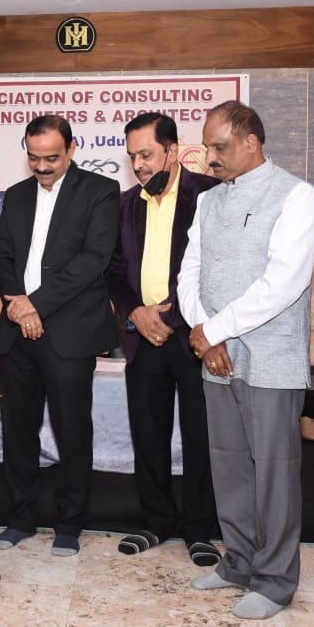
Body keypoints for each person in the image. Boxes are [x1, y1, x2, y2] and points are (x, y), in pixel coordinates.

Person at [176, 100, 314, 620]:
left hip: (271, 357)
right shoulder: (208, 200)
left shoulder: (298, 197)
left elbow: (283, 282)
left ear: (251, 142)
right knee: (228, 465)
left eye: (219, 147)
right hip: (215, 355)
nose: (210, 157)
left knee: (274, 471)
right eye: (207, 147)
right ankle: (238, 562)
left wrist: (213, 331)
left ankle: (276, 581)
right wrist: (205, 334)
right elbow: (189, 272)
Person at [0, 114, 120, 557]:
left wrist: (35, 305)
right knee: (18, 430)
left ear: (71, 149)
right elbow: (3, 254)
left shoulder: (100, 191)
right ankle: (20, 517)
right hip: (17, 330)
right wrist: (16, 303)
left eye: (52, 158)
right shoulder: (17, 194)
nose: (42, 166)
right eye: (34, 157)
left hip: (69, 331)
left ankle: (69, 523)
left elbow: (94, 260)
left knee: (72, 430)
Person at [104, 112, 221, 564]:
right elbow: (113, 269)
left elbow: (214, 266)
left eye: (146, 155)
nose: (138, 165)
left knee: (200, 435)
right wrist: (135, 311)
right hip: (141, 335)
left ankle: (199, 528)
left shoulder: (207, 194)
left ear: (172, 150)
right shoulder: (125, 203)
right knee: (148, 433)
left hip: (192, 336)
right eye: (132, 156)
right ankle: (155, 521)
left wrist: (168, 316)